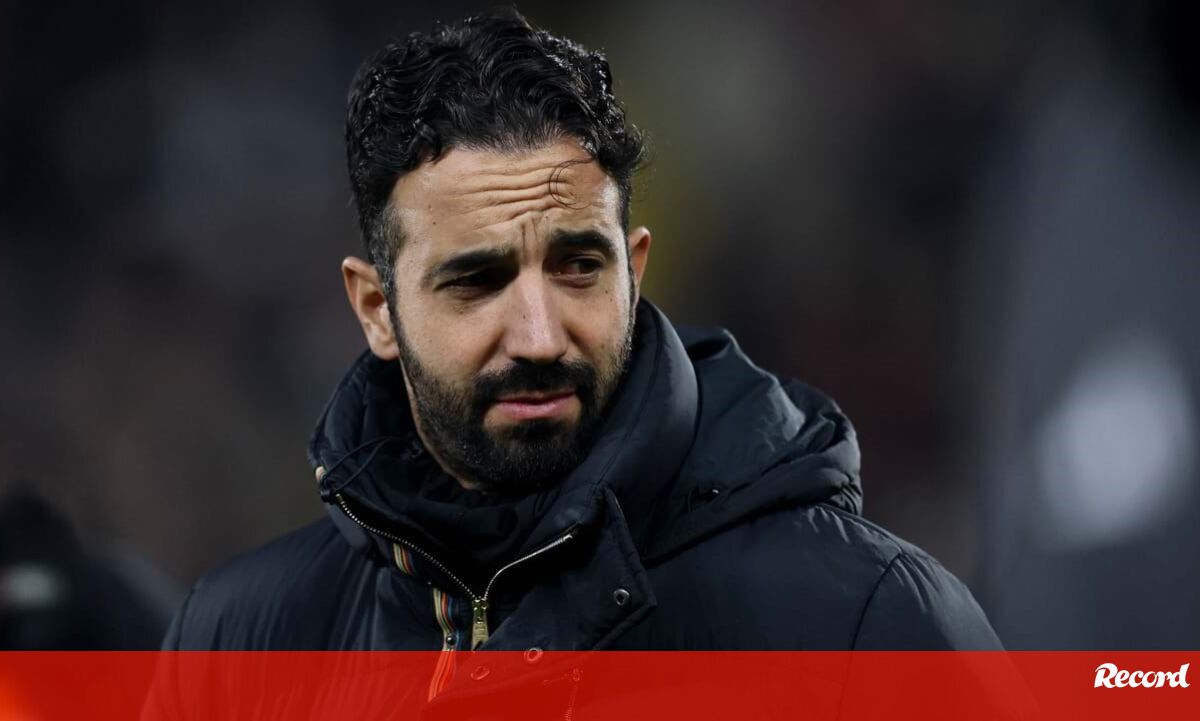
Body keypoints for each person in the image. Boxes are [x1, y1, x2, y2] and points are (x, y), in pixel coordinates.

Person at [161, 10, 1000, 660]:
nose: (538, 336)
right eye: (477, 280)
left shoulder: (864, 622)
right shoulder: (238, 644)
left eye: (577, 267)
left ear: (635, 269)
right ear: (376, 308)